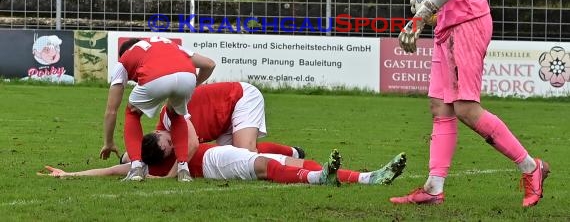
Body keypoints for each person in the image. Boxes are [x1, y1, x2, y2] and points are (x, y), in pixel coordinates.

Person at [393, 0, 549, 207]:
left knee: (465, 107)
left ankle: (531, 166)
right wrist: (434, 2)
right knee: (441, 106)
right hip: (451, 23)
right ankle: (434, 188)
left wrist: (419, 16)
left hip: (466, 23)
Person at [100, 36, 216, 182]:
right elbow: (209, 64)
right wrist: (192, 85)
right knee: (176, 115)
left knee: (132, 112)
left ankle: (136, 168)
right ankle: (183, 170)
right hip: (188, 75)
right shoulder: (168, 44)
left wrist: (108, 142)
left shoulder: (124, 60)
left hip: (155, 79)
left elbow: (111, 110)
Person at [40, 143, 407, 187]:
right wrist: (69, 174)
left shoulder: (151, 159)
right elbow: (111, 169)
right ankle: (317, 179)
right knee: (264, 165)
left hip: (222, 153)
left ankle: (366, 176)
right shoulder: (148, 165)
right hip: (214, 162)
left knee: (293, 160)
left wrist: (68, 172)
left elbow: (106, 169)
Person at [153, 81, 305, 158]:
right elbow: (142, 151)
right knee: (233, 160)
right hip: (223, 123)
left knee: (246, 154)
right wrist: (132, 160)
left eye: (169, 142)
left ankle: (293, 160)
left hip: (239, 97)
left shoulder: (171, 114)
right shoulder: (162, 139)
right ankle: (294, 153)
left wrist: (171, 175)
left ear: (156, 131)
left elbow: (192, 145)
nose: (173, 146)